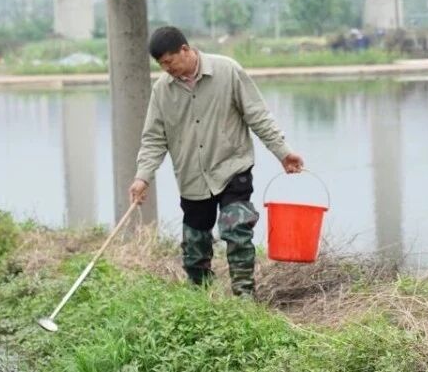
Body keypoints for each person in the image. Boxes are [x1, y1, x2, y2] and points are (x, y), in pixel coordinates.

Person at [129, 26, 304, 298]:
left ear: (185, 50)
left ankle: (244, 297)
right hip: (192, 177)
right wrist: (143, 177)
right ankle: (201, 299)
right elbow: (153, 139)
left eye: (169, 61)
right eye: (161, 64)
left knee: (236, 229)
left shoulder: (227, 71)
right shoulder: (162, 90)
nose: (166, 69)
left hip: (232, 167)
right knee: (195, 246)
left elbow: (257, 115)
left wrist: (283, 152)